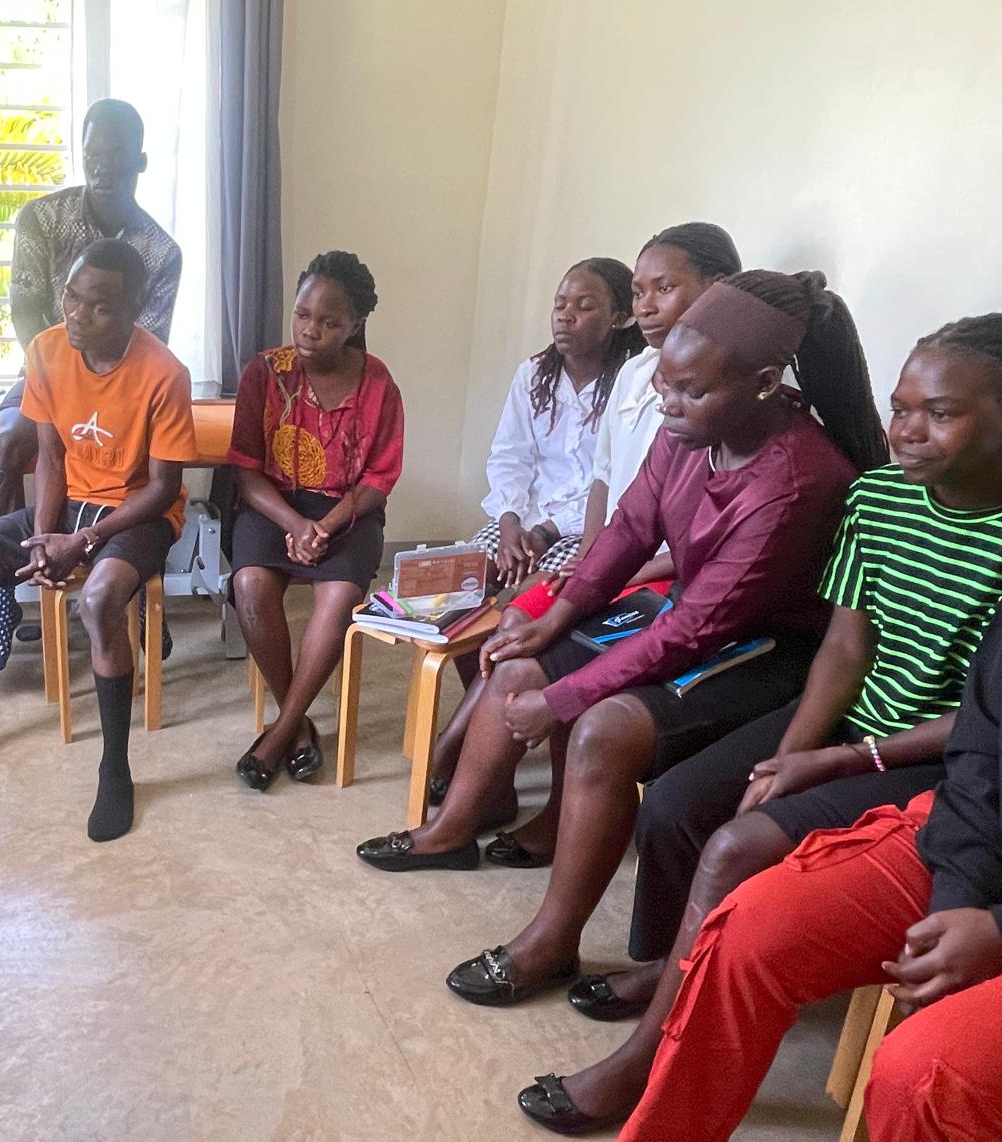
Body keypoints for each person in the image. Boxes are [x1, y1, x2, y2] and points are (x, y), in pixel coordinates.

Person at [520, 313, 1002, 1135]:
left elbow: (988, 720)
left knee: (736, 846)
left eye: (940, 413)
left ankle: (648, 1058)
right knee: (678, 804)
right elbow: (845, 648)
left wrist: (841, 760)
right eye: (901, 408)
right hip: (854, 719)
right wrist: (790, 755)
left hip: (939, 756)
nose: (908, 432)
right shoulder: (881, 497)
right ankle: (675, 967)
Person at [356, 271, 890, 1008]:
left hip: (769, 653)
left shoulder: (798, 479)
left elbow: (699, 630)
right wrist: (556, 616)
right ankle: (451, 830)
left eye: (688, 390)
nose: (667, 403)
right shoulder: (693, 428)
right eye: (665, 383)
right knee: (519, 665)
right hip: (697, 616)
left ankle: (552, 940)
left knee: (601, 728)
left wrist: (566, 697)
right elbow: (632, 526)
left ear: (767, 385)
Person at [545, 569, 1002, 1142]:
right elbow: (985, 744)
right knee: (748, 928)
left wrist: (1001, 931)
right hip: (979, 836)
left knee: (928, 1073)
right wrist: (958, 899)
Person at [0, 239, 197, 844]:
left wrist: (83, 541)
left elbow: (164, 488)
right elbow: (51, 458)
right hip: (71, 504)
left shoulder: (165, 373)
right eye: (71, 298)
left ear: (133, 308)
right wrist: (42, 539)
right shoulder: (47, 350)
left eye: (99, 306)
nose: (77, 315)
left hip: (136, 515)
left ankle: (115, 770)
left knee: (100, 601)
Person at [425, 226, 742, 801]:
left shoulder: (714, 395)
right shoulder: (622, 374)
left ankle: (461, 752)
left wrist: (586, 556)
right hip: (594, 541)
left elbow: (673, 524)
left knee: (526, 623)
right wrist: (519, 526)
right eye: (559, 304)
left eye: (662, 289)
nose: (565, 316)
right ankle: (487, 771)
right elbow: (578, 472)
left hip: (632, 557)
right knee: (482, 601)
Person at [0, 97, 183, 671]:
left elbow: (148, 338)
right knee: (9, 445)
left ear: (139, 162)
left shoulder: (161, 249)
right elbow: (24, 307)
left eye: (115, 156)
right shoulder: (41, 218)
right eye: (92, 152)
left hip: (123, 379)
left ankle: (136, 583)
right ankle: (4, 595)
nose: (100, 165)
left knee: (140, 464)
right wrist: (56, 372)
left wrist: (96, 387)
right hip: (47, 370)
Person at [227, 251, 404, 790]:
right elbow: (246, 470)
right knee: (251, 584)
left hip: (348, 511)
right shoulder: (265, 372)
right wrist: (294, 524)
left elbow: (378, 477)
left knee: (340, 597)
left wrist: (325, 526)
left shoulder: (377, 382)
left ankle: (280, 732)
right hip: (272, 504)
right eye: (302, 314)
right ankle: (298, 724)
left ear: (354, 324)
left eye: (328, 321)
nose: (310, 330)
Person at [471, 258, 646, 598]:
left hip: (587, 530)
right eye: (560, 304)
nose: (565, 316)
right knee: (461, 581)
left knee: (531, 596)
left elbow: (613, 482)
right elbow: (510, 457)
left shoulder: (630, 385)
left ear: (618, 318)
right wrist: (509, 523)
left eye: (585, 306)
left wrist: (548, 531)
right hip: (524, 517)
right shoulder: (534, 375)